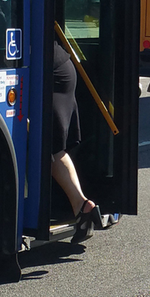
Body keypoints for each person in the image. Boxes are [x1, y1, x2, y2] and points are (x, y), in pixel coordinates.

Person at [46, 38, 109, 235]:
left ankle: (81, 204)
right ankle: (82, 208)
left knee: (50, 147)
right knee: (52, 148)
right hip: (58, 69)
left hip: (53, 74)